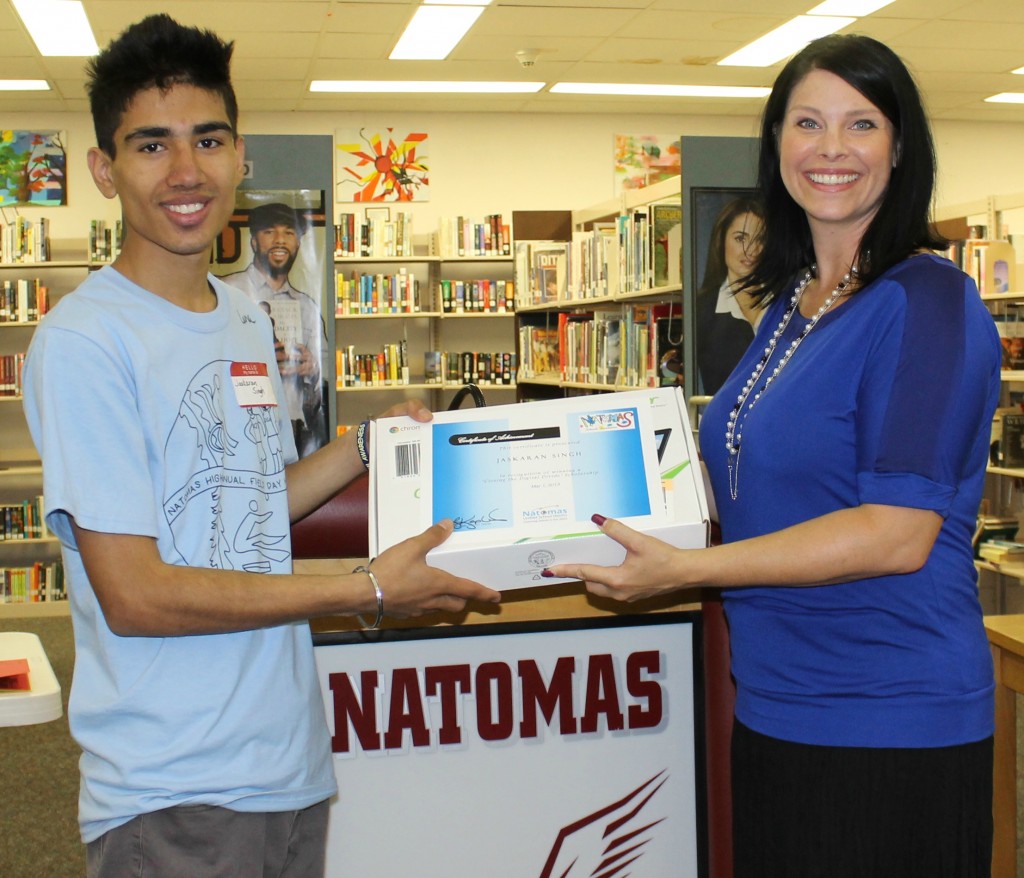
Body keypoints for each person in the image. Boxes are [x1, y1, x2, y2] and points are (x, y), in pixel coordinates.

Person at [20, 14, 500, 878]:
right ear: (104, 169)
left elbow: (243, 499)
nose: (185, 171)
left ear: (241, 155)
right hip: (174, 789)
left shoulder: (242, 313)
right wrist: (367, 591)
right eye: (150, 145)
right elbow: (135, 594)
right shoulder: (86, 341)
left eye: (207, 139)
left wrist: (360, 443)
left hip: (284, 765)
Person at [544, 33, 1000, 878]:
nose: (831, 150)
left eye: (861, 124)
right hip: (778, 705)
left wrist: (687, 569)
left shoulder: (930, 302)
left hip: (888, 719)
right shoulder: (792, 306)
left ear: (899, 149)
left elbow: (894, 533)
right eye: (807, 123)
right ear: (777, 144)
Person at [221, 201, 327, 457]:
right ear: (254, 242)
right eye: (269, 231)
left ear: (299, 244)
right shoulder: (226, 292)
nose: (280, 240)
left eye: (289, 233)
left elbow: (324, 381)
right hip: (236, 428)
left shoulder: (306, 307)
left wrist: (312, 368)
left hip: (294, 430)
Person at [694, 195, 765, 396]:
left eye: (760, 239)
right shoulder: (701, 310)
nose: (750, 250)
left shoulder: (790, 302)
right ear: (721, 241)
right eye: (740, 238)